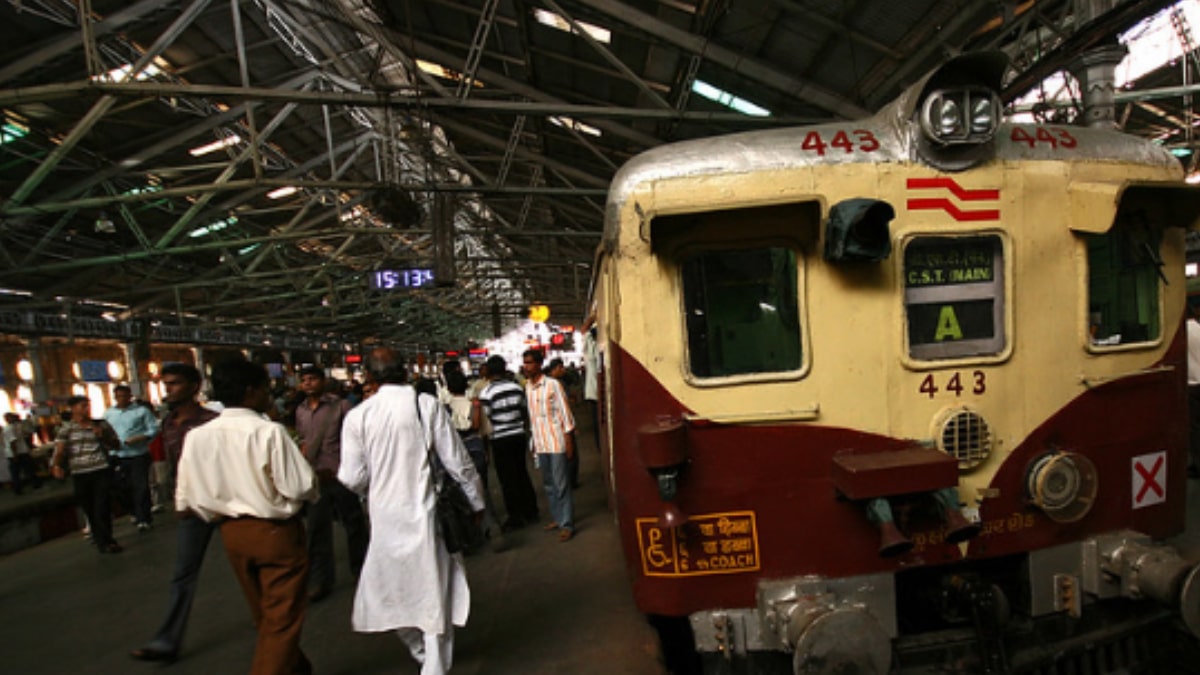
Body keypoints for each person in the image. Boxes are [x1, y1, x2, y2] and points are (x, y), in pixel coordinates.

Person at [339, 349, 485, 675]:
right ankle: (429, 659)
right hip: (425, 515)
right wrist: (476, 500)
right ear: (406, 372)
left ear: (370, 377)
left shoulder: (357, 417)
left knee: (386, 591)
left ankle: (426, 659)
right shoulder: (425, 405)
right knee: (434, 594)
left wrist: (375, 490)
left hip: (384, 520)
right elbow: (457, 460)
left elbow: (350, 477)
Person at [175, 359, 319, 675]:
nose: (271, 395)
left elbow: (186, 498)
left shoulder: (198, 437)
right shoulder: (268, 432)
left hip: (232, 535)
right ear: (251, 392)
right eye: (267, 388)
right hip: (276, 534)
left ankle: (297, 669)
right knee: (281, 621)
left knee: (265, 615)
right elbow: (300, 485)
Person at [131, 363, 220, 663]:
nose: (167, 389)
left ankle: (275, 630)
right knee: (182, 575)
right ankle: (167, 640)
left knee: (249, 567)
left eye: (174, 384)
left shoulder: (214, 422)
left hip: (224, 504)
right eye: (165, 384)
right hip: (190, 508)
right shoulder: (168, 423)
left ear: (195, 387)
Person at [294, 365, 368, 603]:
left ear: (323, 381)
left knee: (354, 524)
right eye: (304, 380)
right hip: (316, 477)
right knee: (317, 530)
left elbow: (357, 438)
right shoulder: (301, 411)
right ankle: (320, 580)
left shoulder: (342, 406)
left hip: (341, 474)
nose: (308, 383)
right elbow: (303, 440)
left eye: (312, 379)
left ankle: (362, 571)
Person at [51, 396, 122, 553]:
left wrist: (102, 436)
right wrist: (57, 465)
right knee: (89, 507)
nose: (86, 409)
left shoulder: (100, 424)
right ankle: (100, 539)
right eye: (82, 406)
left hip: (100, 470)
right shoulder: (66, 429)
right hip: (80, 472)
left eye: (87, 406)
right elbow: (60, 450)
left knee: (102, 505)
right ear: (73, 408)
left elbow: (116, 444)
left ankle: (108, 540)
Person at [478, 355, 539, 531]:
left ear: (488, 371)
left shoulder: (486, 393)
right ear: (505, 369)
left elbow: (486, 418)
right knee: (521, 472)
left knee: (507, 478)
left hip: (500, 439)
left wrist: (486, 446)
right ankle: (531, 511)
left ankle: (515, 516)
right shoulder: (517, 388)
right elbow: (524, 411)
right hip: (518, 435)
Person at [522, 349, 577, 542]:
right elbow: (533, 420)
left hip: (556, 442)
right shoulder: (528, 387)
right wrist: (533, 444)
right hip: (541, 444)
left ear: (538, 364)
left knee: (561, 484)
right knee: (548, 485)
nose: (526, 367)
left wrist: (569, 441)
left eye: (529, 363)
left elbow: (565, 413)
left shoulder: (553, 385)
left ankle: (567, 524)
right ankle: (558, 517)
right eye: (525, 363)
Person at [104, 384, 159, 532]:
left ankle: (144, 518)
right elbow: (105, 432)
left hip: (138, 454)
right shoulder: (109, 414)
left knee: (140, 485)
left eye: (124, 396)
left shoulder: (141, 411)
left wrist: (141, 438)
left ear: (130, 396)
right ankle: (132, 510)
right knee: (120, 487)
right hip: (117, 455)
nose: (121, 399)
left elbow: (153, 428)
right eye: (118, 396)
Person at [545, 358, 580, 489]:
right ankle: (570, 482)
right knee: (571, 454)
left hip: (559, 423)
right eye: (561, 368)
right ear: (555, 369)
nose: (563, 370)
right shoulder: (555, 384)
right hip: (561, 423)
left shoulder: (555, 382)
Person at [4, 412, 41, 494]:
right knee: (20, 471)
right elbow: (12, 442)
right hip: (17, 453)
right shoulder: (9, 429)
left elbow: (26, 434)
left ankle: (33, 485)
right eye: (12, 417)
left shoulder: (16, 427)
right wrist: (15, 454)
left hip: (21, 451)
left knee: (26, 469)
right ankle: (19, 488)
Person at [1188, 301, 1200, 477]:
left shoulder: (1183, 333)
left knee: (1194, 429)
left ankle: (1197, 466)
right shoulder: (1198, 328)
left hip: (1192, 385)